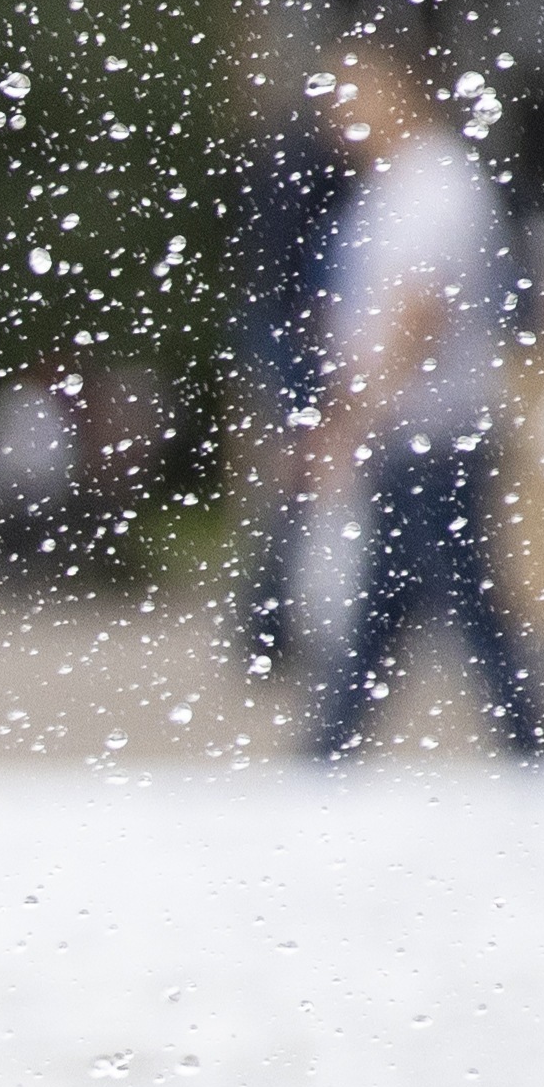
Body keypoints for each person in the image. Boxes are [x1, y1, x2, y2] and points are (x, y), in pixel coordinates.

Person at [305, 39, 544, 762]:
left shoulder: (434, 184)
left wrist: (351, 416)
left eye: (351, 99)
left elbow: (418, 312)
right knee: (399, 606)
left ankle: (531, 747)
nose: (339, 120)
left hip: (434, 432)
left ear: (398, 90)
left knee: (460, 605)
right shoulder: (393, 185)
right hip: (412, 431)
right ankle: (324, 755)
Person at [223, 43, 363, 679]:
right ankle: (273, 621)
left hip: (285, 331)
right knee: (306, 480)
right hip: (297, 336)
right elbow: (293, 279)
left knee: (302, 485)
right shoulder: (314, 161)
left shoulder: (294, 153)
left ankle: (272, 622)